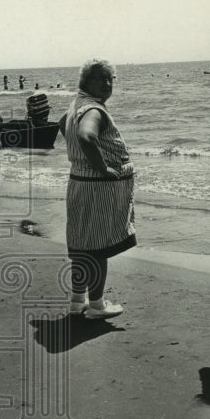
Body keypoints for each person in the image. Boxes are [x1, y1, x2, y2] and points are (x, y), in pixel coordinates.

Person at [58, 59, 135, 320]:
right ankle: (97, 305)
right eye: (103, 78)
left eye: (111, 79)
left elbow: (63, 124)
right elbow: (86, 136)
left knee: (82, 246)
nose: (108, 84)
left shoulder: (75, 105)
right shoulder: (93, 109)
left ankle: (77, 300)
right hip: (95, 187)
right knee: (98, 248)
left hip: (79, 183)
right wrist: (103, 168)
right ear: (87, 82)